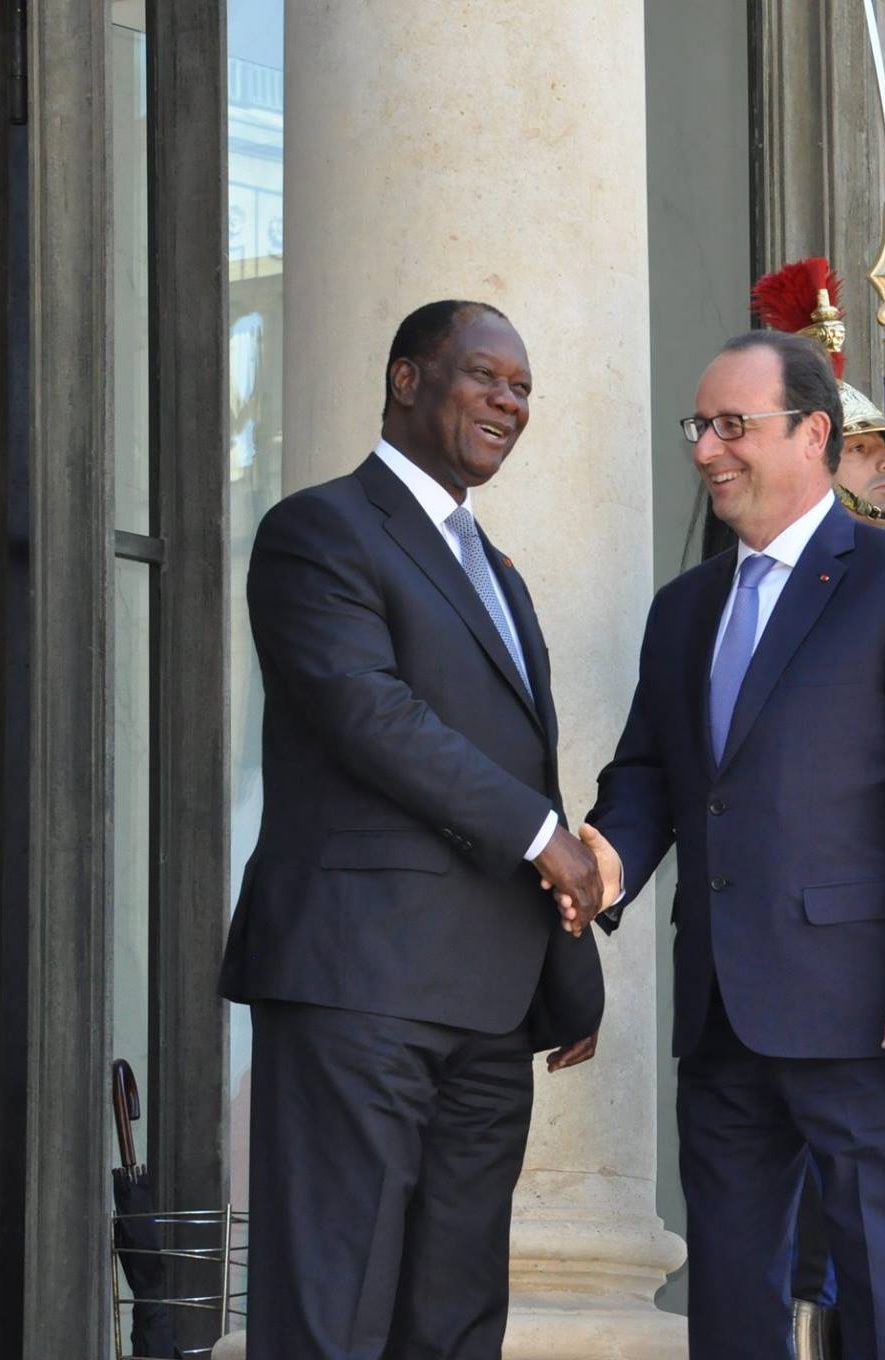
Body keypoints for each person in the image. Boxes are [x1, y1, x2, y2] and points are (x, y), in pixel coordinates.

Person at [564, 330, 885, 1359]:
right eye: (698, 427)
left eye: (732, 426)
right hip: (720, 1015)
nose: (708, 449)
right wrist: (606, 862)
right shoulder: (681, 611)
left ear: (811, 434)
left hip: (873, 1016)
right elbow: (649, 776)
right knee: (728, 1300)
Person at [219, 300, 605, 1360]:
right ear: (406, 379)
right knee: (332, 1307)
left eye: (523, 388)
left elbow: (525, 764)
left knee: (452, 1316)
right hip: (359, 984)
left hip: (487, 1007)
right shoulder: (319, 529)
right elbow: (370, 713)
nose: (508, 402)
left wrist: (567, 976)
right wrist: (546, 840)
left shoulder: (500, 574)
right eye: (485, 376)